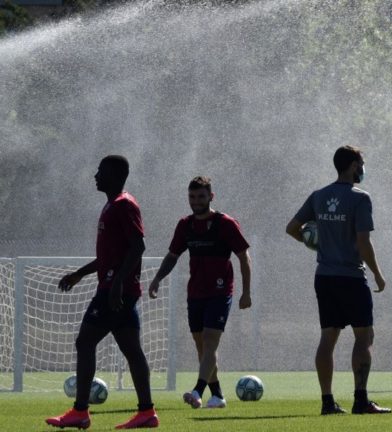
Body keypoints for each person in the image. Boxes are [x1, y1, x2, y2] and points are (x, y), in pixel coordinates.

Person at [46, 155, 158, 429]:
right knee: (132, 350)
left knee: (85, 342)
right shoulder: (112, 205)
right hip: (115, 286)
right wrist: (79, 275)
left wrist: (118, 282)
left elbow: (138, 247)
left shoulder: (123, 205)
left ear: (116, 175)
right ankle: (146, 413)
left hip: (114, 290)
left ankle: (80, 411)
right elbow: (112, 255)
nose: (95, 176)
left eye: (101, 171)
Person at [285, 145, 391, 415]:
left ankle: (327, 402)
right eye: (362, 163)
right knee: (364, 336)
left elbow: (292, 228)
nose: (363, 169)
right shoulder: (360, 198)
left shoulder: (319, 196)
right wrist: (378, 273)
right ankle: (360, 400)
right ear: (354, 165)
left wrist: (315, 245)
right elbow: (363, 242)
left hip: (325, 278)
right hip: (352, 277)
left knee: (328, 338)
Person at [148, 176, 252, 409]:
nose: (196, 201)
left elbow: (244, 256)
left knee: (210, 341)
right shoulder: (185, 225)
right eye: (192, 197)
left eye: (201, 196)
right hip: (195, 293)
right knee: (201, 346)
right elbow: (173, 256)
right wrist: (157, 279)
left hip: (220, 291)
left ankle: (197, 391)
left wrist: (246, 292)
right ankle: (217, 396)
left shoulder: (225, 223)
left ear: (211, 197)